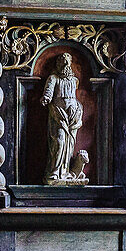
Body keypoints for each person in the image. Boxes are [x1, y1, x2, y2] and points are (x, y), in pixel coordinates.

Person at [41, 52, 84, 184]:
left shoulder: (74, 80)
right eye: (61, 61)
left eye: (66, 61)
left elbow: (74, 97)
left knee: (69, 144)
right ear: (57, 64)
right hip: (58, 113)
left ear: (70, 63)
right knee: (59, 141)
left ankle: (65, 172)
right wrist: (46, 99)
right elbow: (48, 92)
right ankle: (55, 170)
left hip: (73, 114)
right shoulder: (53, 78)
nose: (64, 64)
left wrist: (76, 109)